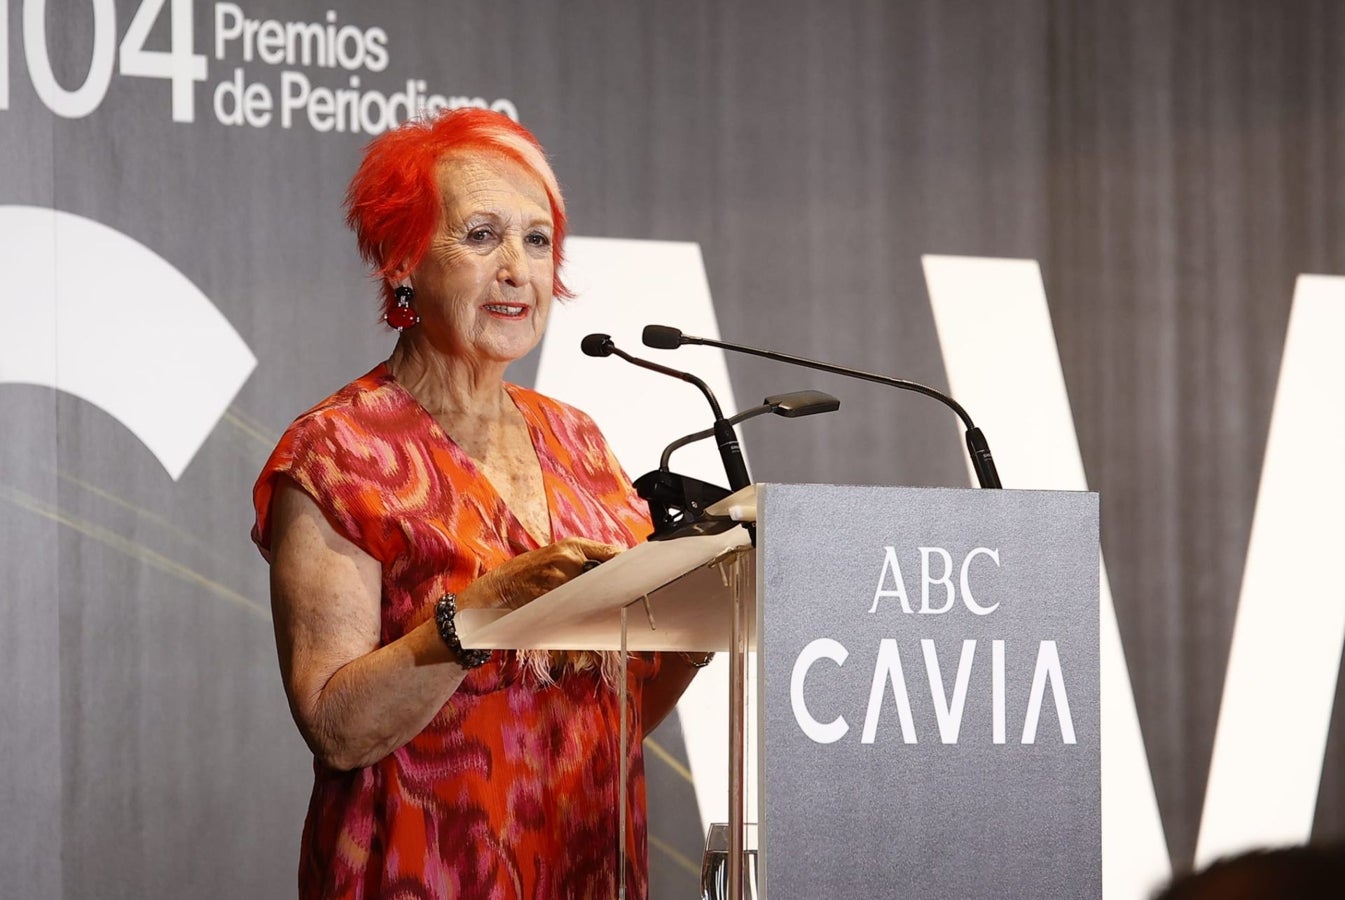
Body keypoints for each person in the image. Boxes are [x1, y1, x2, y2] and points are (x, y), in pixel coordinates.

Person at [251, 108, 708, 899]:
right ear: (402, 260)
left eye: (537, 241)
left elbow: (609, 712)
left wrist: (700, 618)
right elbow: (336, 729)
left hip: (587, 861)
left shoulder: (579, 442)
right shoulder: (339, 453)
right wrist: (483, 612)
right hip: (425, 869)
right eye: (481, 235)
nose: (518, 270)